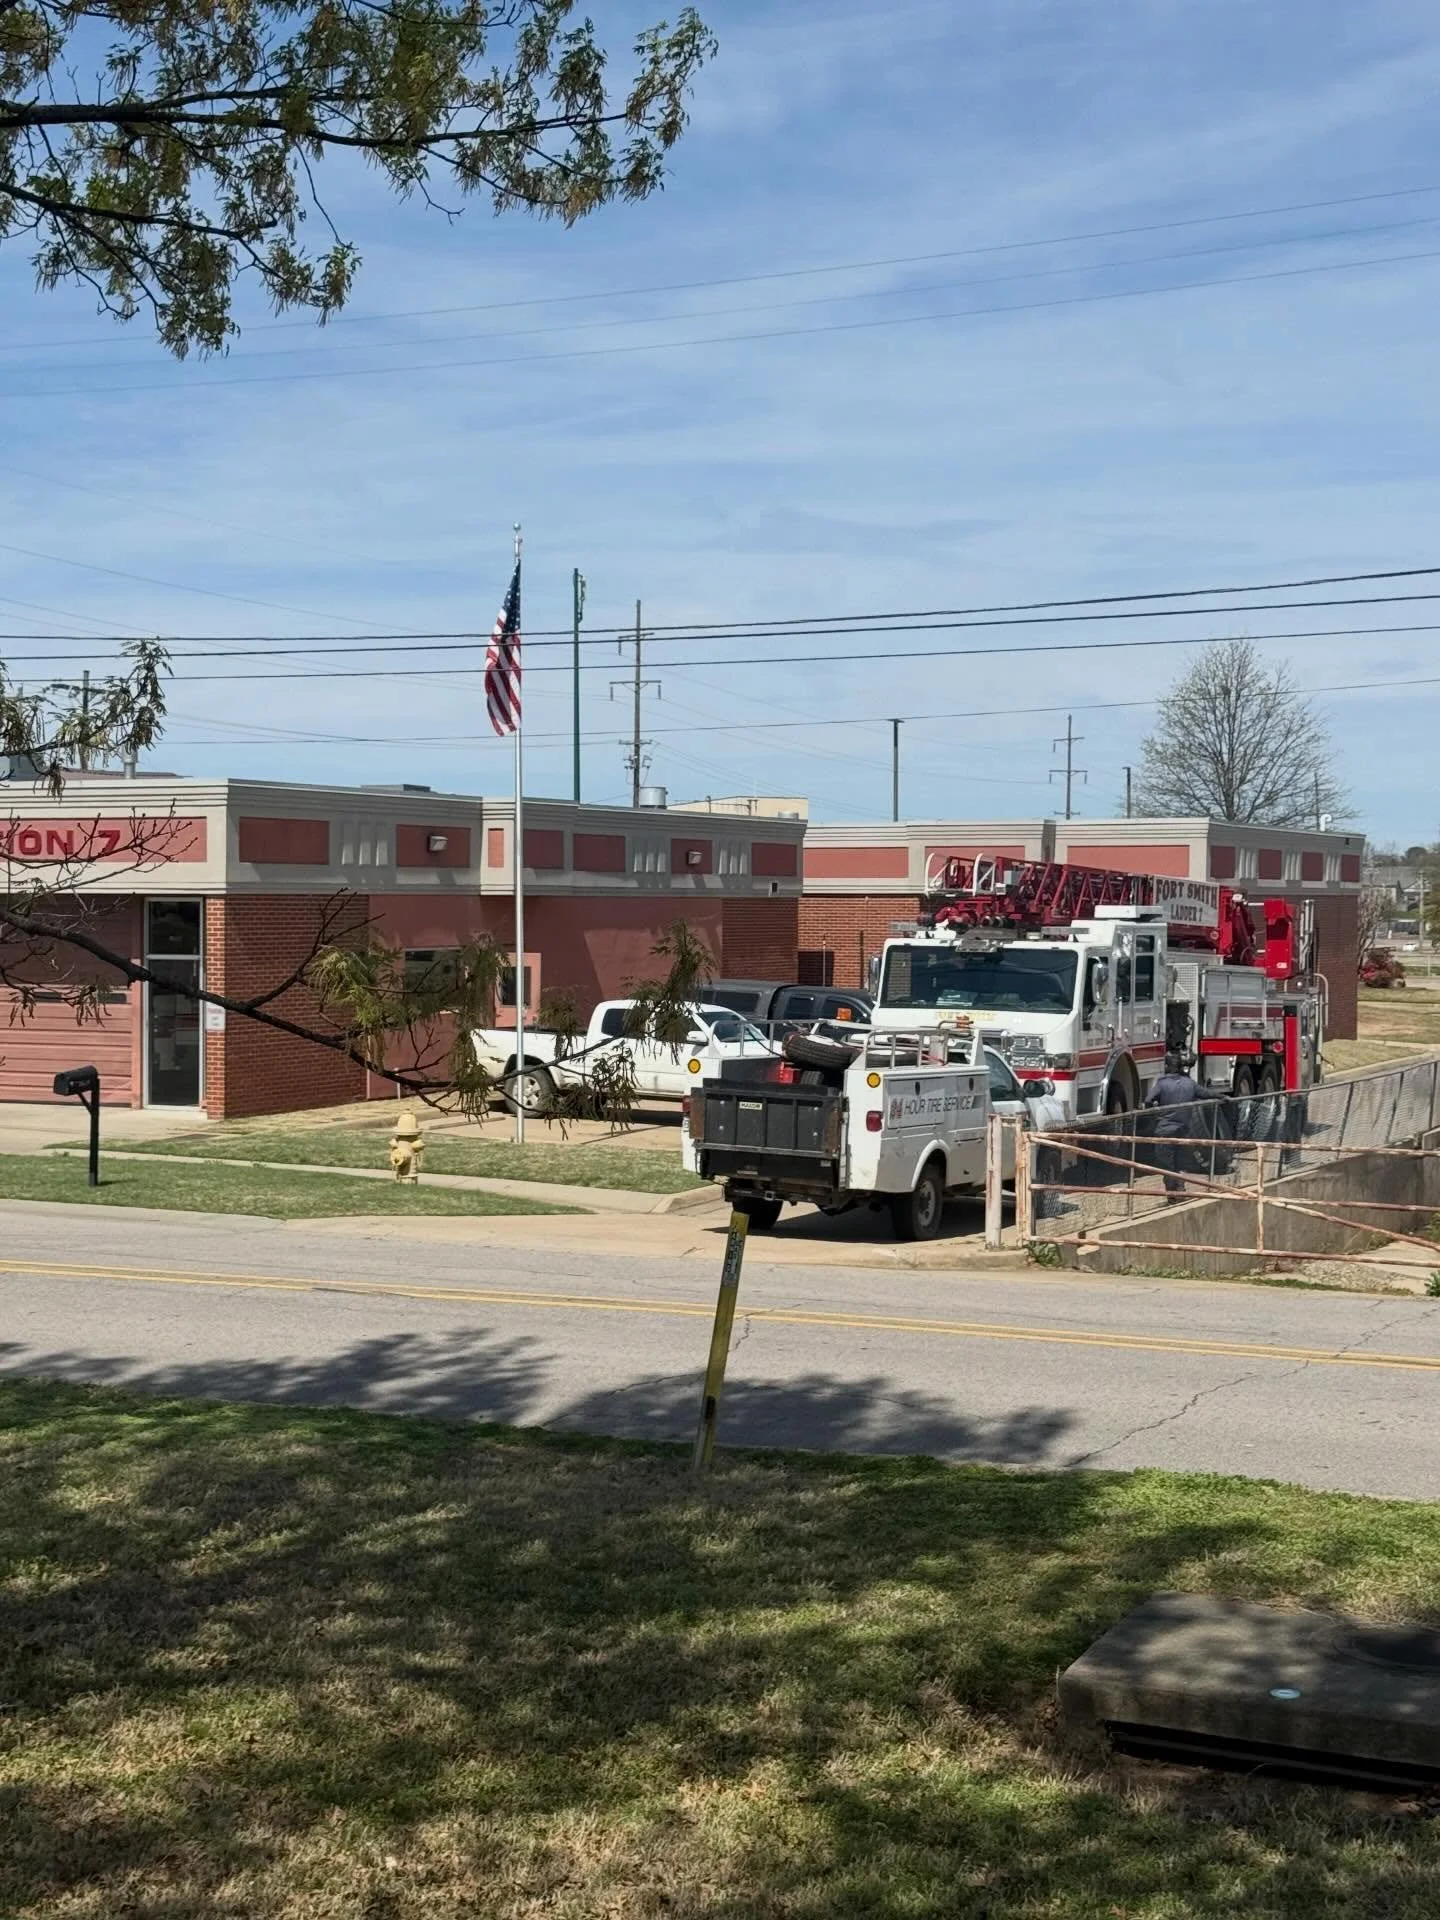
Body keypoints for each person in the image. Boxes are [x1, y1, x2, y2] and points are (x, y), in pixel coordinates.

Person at [1143, 1051, 1204, 1202]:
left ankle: (1171, 1194)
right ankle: (1180, 1189)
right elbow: (1206, 1093)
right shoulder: (1189, 1083)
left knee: (1166, 1163)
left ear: (1167, 1066)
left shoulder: (1162, 1084)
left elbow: (1148, 1100)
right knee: (1180, 1161)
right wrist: (1223, 1097)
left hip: (1164, 1130)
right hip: (1183, 1130)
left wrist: (1155, 1107)